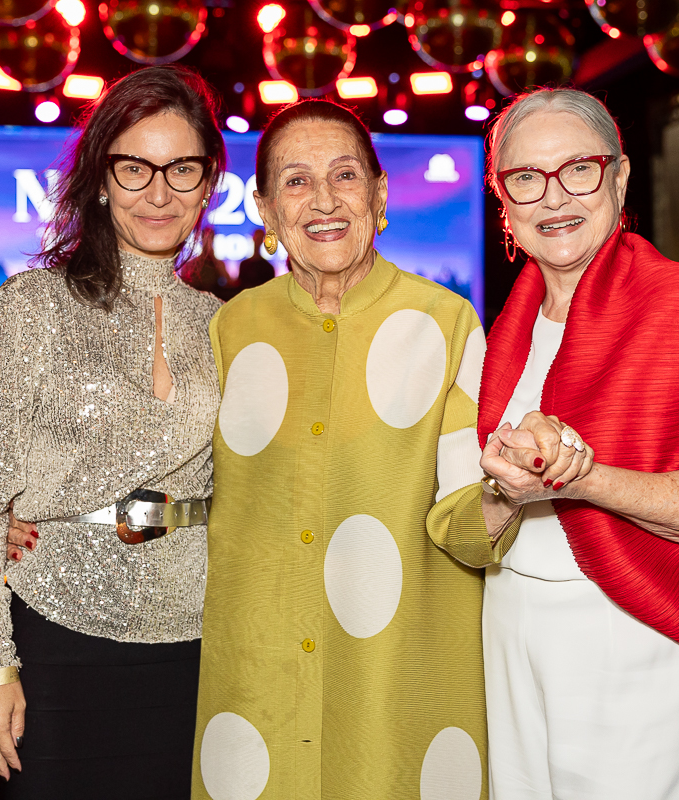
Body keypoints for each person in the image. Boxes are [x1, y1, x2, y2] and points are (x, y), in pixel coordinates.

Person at [434, 88, 679, 799]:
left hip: (641, 640)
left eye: (580, 169)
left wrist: (582, 477)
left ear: (620, 179)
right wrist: (509, 489)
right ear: (502, 199)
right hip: (513, 634)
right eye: (526, 178)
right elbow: (461, 525)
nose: (553, 196)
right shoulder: (501, 333)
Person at [0, 66, 226, 799]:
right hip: (58, 636)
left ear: (207, 184)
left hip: (196, 643)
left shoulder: (225, 323)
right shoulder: (33, 304)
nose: (159, 192)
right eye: (136, 167)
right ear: (102, 177)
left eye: (181, 168)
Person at [192, 99, 488, 799]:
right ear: (263, 208)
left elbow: (472, 525)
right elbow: (186, 490)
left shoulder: (446, 324)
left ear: (380, 195)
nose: (323, 200)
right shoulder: (228, 331)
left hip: (398, 680)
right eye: (295, 181)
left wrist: (517, 487)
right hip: (257, 675)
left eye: (345, 175)